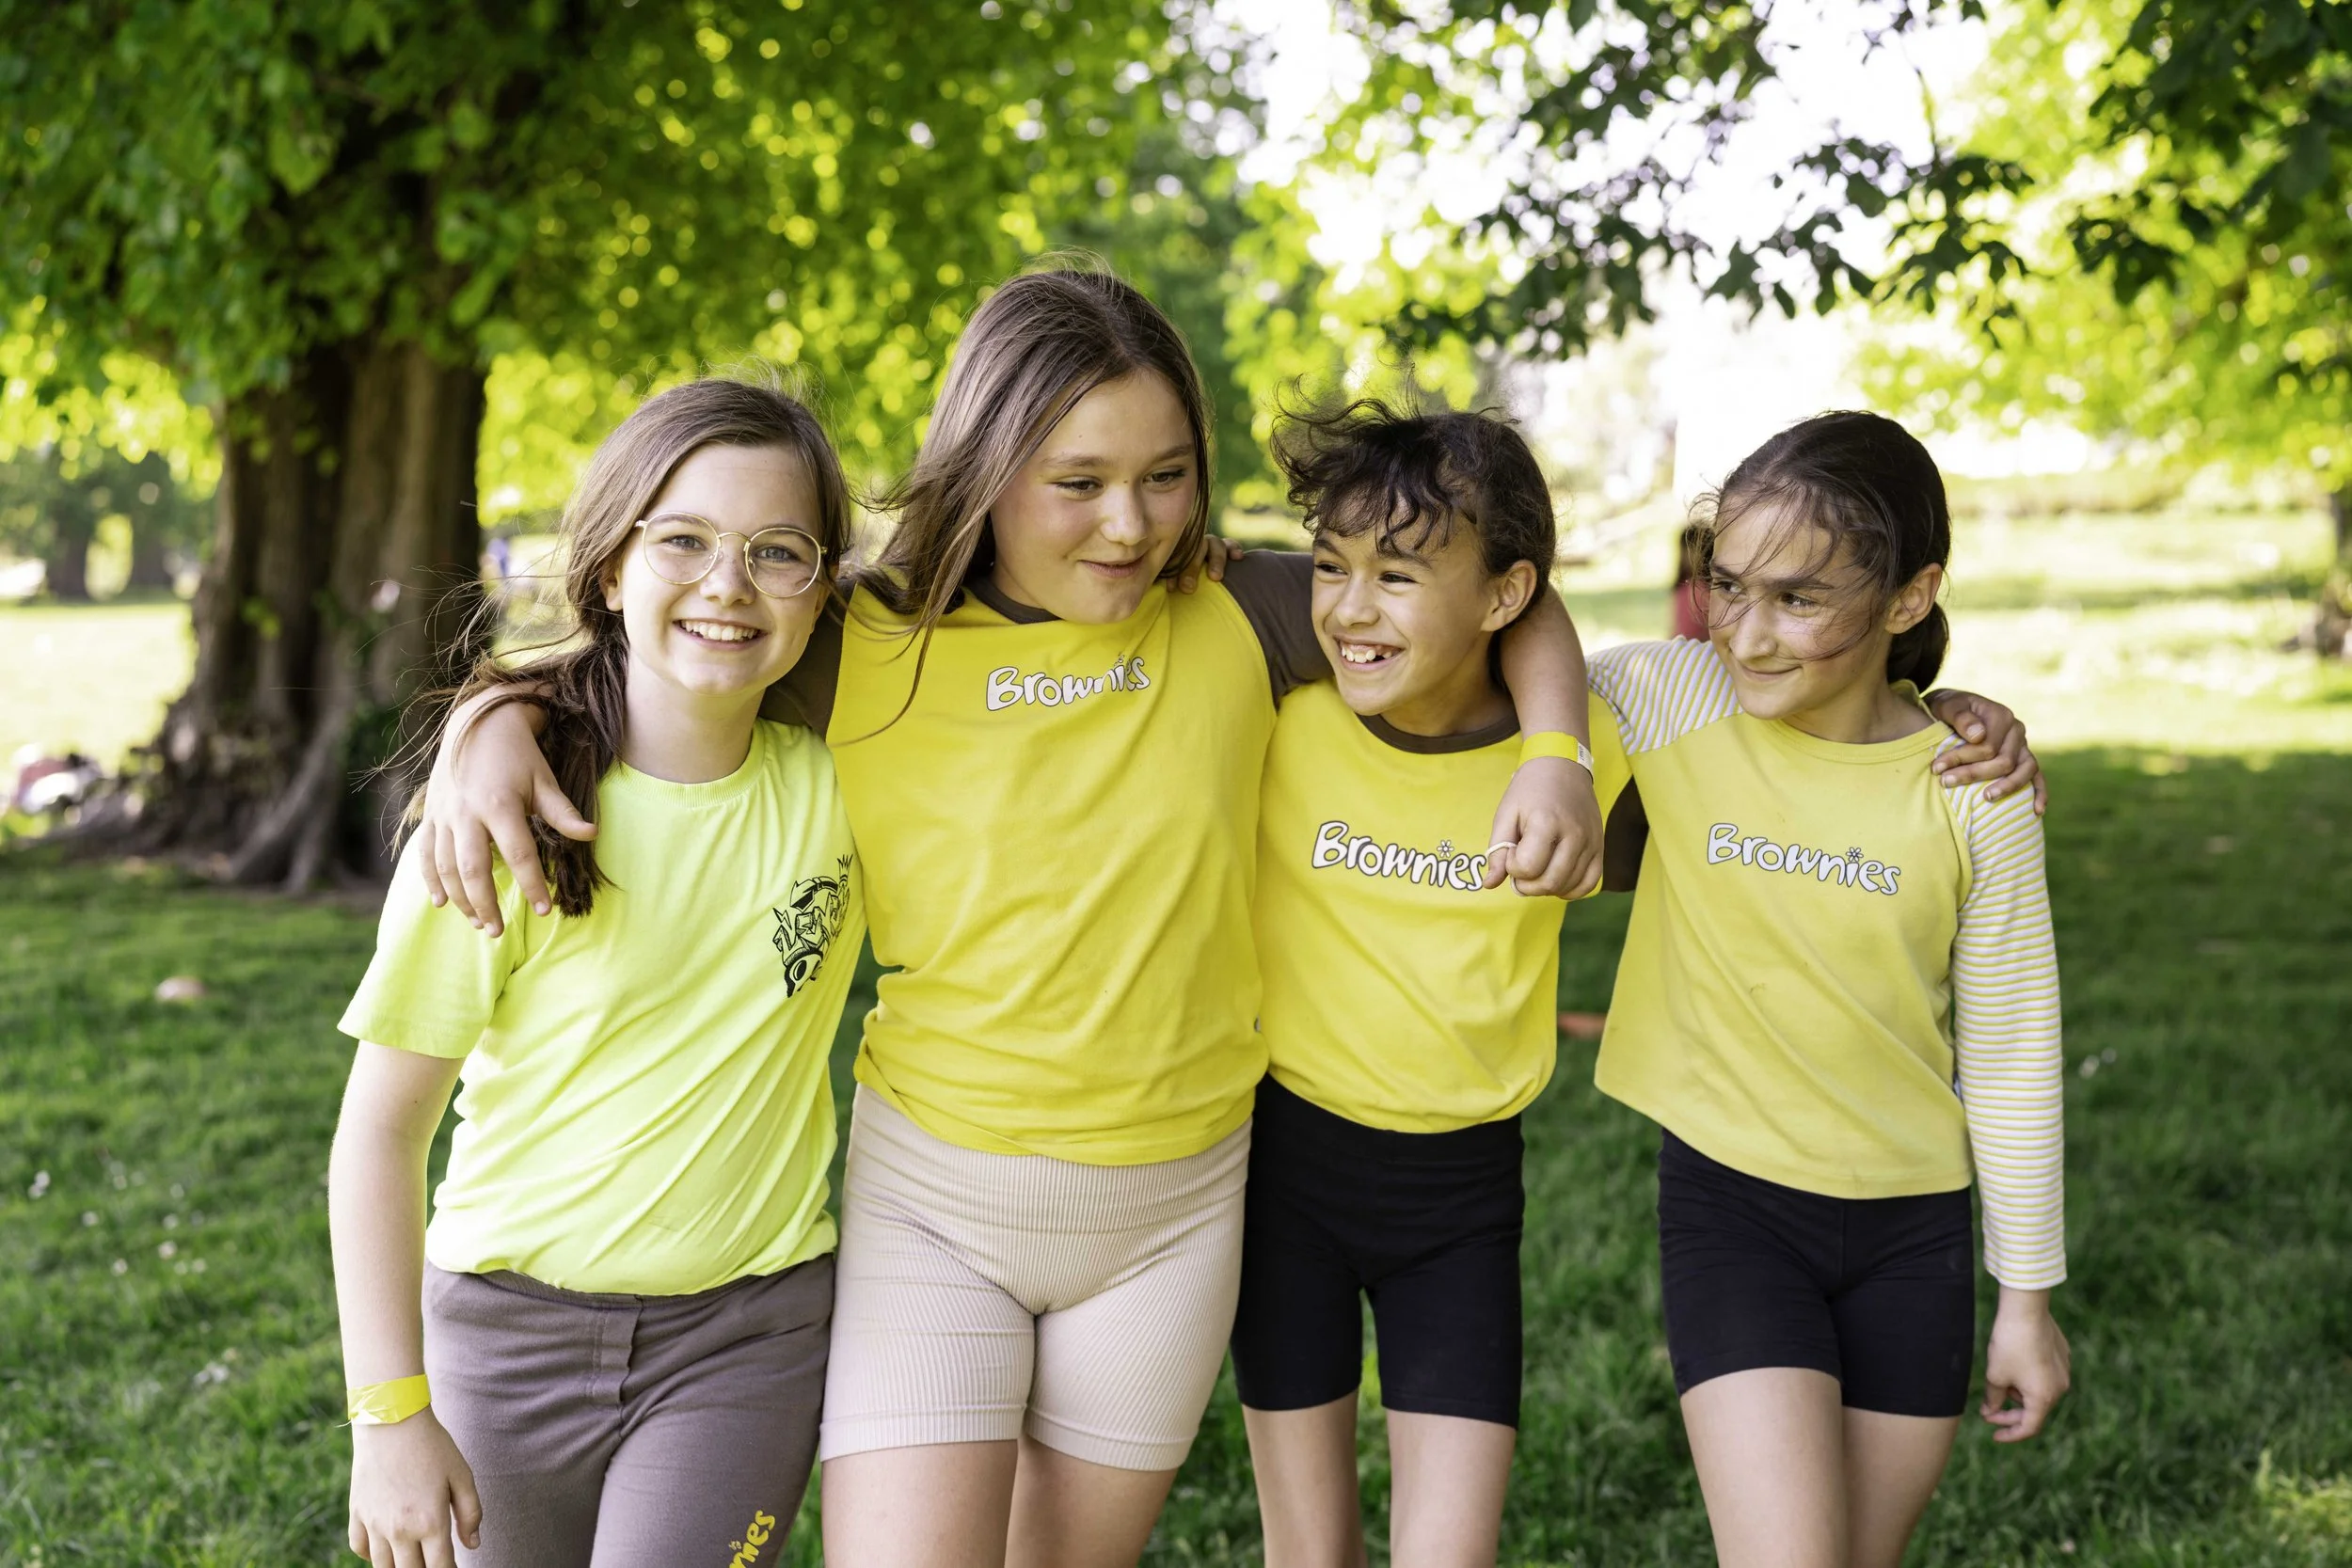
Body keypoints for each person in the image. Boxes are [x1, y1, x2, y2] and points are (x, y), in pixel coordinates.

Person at [408, 263, 1605, 1568]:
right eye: (1077, 480)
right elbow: (660, 646)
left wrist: (1557, 748)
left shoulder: (1240, 612)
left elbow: (1507, 600)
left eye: (1165, 474)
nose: (1131, 523)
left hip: (1174, 1213)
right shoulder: (858, 642)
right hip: (939, 1202)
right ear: (985, 462)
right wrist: (493, 720)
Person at [328, 376, 864, 1568]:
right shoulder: (497, 826)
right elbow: (380, 1131)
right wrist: (389, 1413)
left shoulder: (853, 782)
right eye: (682, 540)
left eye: (777, 551)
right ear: (609, 566)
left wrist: (487, 707)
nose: (727, 584)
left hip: (747, 1335)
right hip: (503, 1337)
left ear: (823, 588)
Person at [1586, 410, 2072, 1568]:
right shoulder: (1669, 697)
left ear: (1910, 596)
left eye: (1798, 598)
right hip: (1732, 1208)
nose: (1745, 634)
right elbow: (1472, 628)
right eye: (1729, 584)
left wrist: (2026, 1300)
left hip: (1915, 1235)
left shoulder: (1970, 789)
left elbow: (2008, 1047)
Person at [1227, 401, 1633, 1568]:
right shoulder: (1280, 696)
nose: (1351, 606)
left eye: (1398, 573)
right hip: (1280, 1179)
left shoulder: (1588, 746)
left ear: (1500, 596)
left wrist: (1954, 715)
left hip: (1458, 1204)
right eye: (1331, 565)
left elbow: (1796, 717)